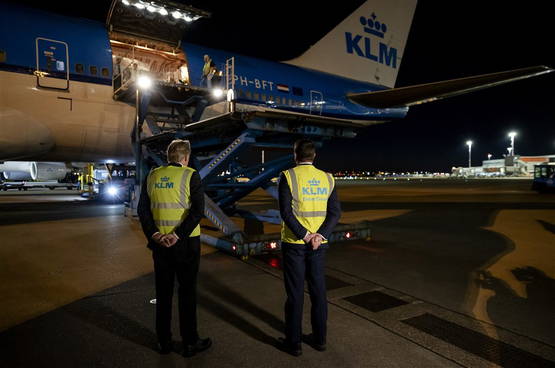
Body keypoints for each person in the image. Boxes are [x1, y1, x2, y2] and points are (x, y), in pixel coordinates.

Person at [138, 139, 211, 358]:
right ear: (185, 157)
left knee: (163, 293)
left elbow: (143, 210)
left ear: (169, 157)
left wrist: (157, 235)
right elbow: (198, 211)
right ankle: (190, 343)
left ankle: (164, 342)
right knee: (187, 292)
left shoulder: (152, 175)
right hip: (186, 244)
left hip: (160, 245)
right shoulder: (190, 175)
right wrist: (177, 235)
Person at [277, 139, 341, 356]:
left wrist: (304, 235)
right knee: (318, 292)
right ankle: (320, 339)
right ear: (314, 156)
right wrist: (319, 235)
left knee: (295, 294)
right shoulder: (328, 179)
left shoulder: (288, 176)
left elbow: (286, 212)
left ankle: (293, 344)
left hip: (295, 244)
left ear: (295, 155)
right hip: (318, 246)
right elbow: (335, 213)